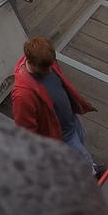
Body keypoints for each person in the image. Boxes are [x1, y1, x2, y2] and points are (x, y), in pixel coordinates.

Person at [11, 36, 96, 170]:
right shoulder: (22, 95)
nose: (49, 70)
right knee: (84, 165)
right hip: (61, 138)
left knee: (82, 148)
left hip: (72, 122)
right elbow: (26, 132)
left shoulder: (48, 62)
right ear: (31, 62)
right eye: (45, 68)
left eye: (51, 65)